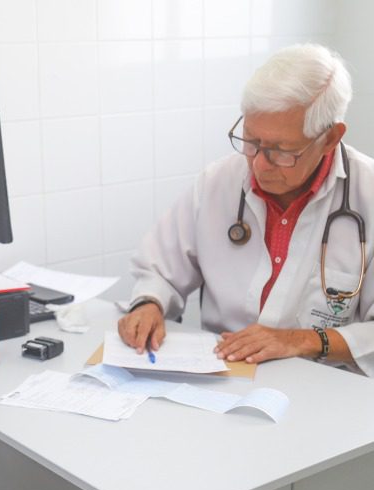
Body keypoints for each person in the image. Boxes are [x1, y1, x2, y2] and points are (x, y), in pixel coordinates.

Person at [117, 43, 374, 376]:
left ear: (330, 138)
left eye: (283, 151)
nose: (260, 164)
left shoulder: (367, 195)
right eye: (251, 141)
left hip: (326, 388)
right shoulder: (218, 182)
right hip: (225, 379)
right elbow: (160, 270)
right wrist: (148, 303)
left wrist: (302, 341)